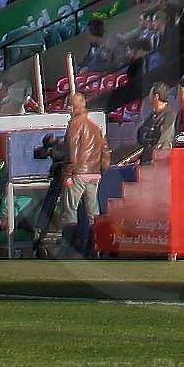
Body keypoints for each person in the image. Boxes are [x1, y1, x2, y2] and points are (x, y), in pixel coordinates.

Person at [50, 90, 111, 254]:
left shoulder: (75, 124)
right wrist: (101, 169)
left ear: (74, 107)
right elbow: (106, 151)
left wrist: (68, 173)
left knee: (69, 211)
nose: (68, 109)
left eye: (70, 105)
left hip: (78, 173)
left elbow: (72, 151)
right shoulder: (94, 126)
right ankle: (95, 248)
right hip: (94, 174)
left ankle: (67, 248)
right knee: (93, 214)